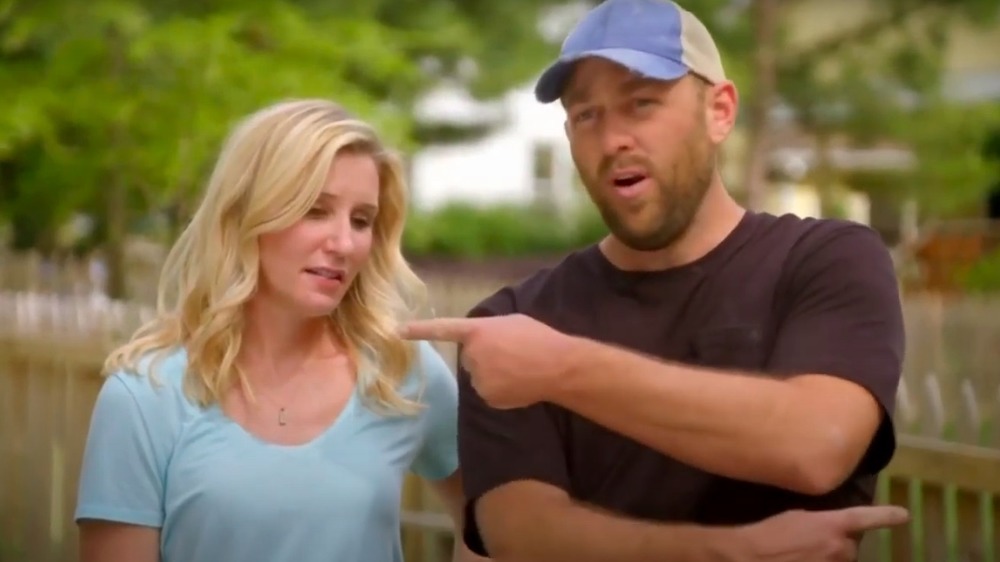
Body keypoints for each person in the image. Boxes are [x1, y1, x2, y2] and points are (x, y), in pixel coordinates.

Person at [402, 0, 909, 560]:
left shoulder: (825, 260)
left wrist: (559, 369)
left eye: (641, 103)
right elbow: (521, 534)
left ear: (720, 111)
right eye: (586, 115)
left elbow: (818, 444)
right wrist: (734, 552)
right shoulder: (510, 323)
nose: (612, 137)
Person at [74, 99, 484, 562]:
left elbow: (494, 521)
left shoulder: (401, 371)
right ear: (247, 214)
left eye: (361, 220)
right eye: (315, 210)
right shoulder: (144, 394)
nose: (344, 244)